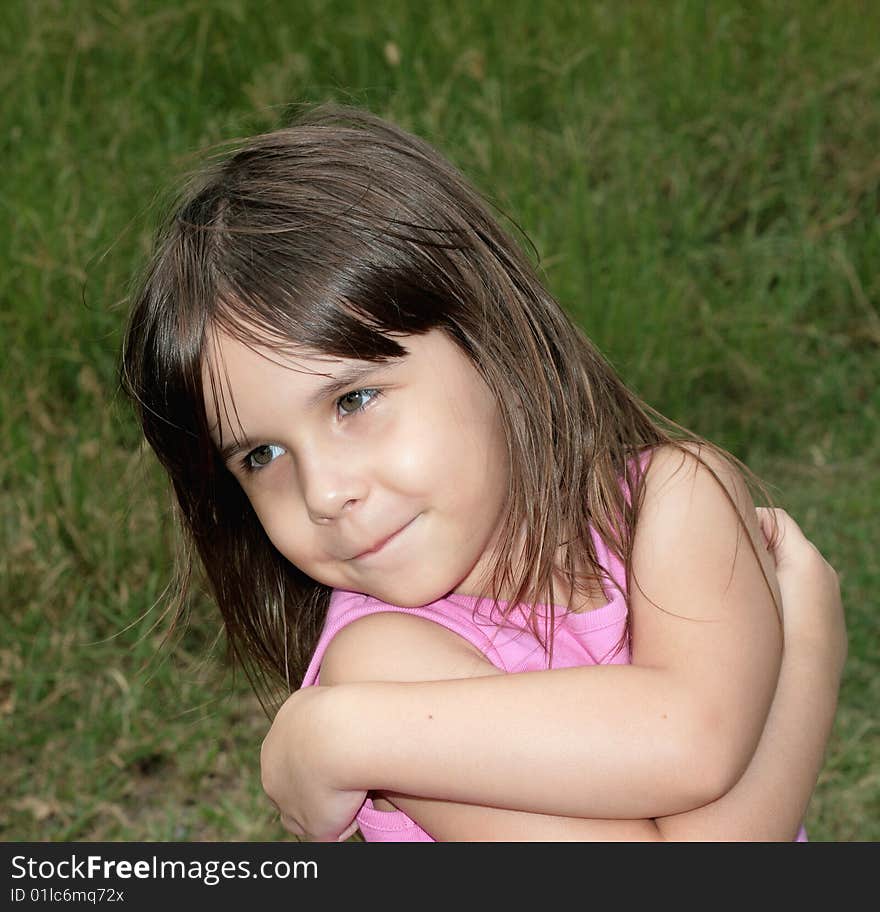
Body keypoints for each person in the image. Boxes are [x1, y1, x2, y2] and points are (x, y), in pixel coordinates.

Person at [121, 105, 846, 842]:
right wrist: (808, 653)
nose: (324, 492)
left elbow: (695, 738)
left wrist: (342, 734)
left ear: (487, 337)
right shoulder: (381, 666)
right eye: (261, 456)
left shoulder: (677, 498)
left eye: (354, 400)